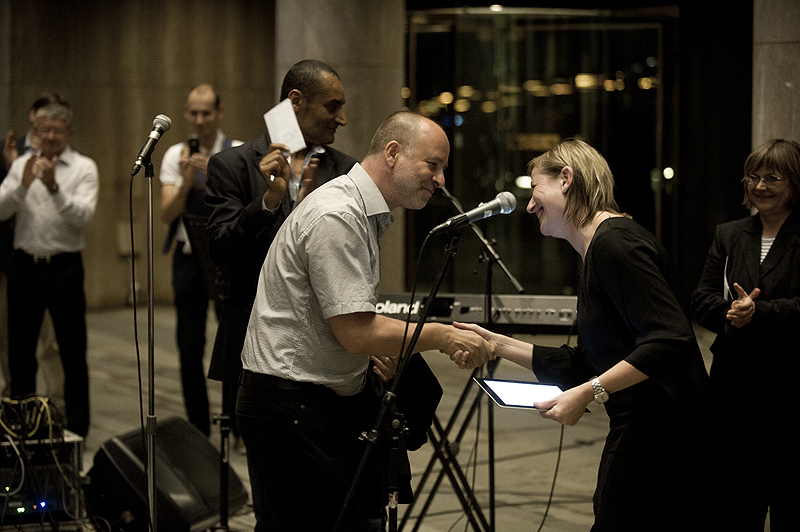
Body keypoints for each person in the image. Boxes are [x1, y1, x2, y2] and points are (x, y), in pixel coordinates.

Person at [236, 111, 494, 531]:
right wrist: (443, 336)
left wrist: (380, 349)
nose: (441, 179)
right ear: (393, 153)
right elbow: (357, 332)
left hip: (310, 402)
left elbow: (344, 324)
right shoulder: (339, 213)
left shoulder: (358, 209)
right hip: (290, 407)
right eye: (433, 164)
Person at [451, 139, 714, 531]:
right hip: (647, 434)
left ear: (566, 180)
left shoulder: (615, 245)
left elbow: (669, 341)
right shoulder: (598, 249)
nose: (528, 204)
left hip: (665, 439)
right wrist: (496, 344)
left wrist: (590, 391)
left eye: (535, 189)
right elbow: (590, 361)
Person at [205, 59, 356, 452]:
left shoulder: (346, 173)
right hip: (251, 342)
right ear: (296, 101)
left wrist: (308, 218)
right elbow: (221, 251)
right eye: (332, 106)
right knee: (265, 474)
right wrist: (268, 203)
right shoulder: (232, 165)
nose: (341, 118)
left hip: (321, 347)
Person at [692, 138, 800, 531]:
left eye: (773, 177)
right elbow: (701, 298)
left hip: (791, 392)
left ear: (794, 183)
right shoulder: (729, 234)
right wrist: (730, 313)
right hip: (733, 393)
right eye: (753, 177)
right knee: (734, 506)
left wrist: (760, 312)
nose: (760, 186)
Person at [0, 103, 99, 437]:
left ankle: (77, 430)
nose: (52, 137)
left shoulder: (84, 167)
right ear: (36, 133)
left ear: (69, 133)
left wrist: (55, 188)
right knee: (20, 354)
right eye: (46, 131)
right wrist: (23, 184)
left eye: (58, 131)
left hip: (65, 269)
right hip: (24, 267)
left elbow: (83, 216)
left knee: (72, 352)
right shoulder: (21, 166)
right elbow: (1, 210)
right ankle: (21, 427)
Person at [159, 83, 241, 437]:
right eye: (193, 113)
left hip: (228, 261)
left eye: (206, 112)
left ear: (219, 111)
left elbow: (244, 208)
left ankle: (234, 425)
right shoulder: (173, 154)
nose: (199, 120)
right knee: (189, 348)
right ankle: (198, 428)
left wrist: (214, 172)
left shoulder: (236, 152)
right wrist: (188, 177)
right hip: (189, 258)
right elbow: (166, 214)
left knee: (233, 346)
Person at [1, 93, 69, 399]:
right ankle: (17, 406)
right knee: (15, 343)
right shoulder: (15, 155)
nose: (50, 131)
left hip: (58, 261)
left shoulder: (69, 159)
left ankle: (55, 407)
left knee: (53, 343)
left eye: (57, 124)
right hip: (16, 259)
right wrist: (13, 170)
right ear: (33, 118)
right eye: (44, 120)